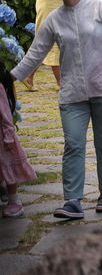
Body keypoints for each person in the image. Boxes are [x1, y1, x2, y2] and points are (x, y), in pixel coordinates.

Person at [10, 0, 102, 219]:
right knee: (73, 144)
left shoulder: (99, 5)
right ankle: (73, 202)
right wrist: (8, 78)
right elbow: (35, 54)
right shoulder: (54, 19)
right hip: (72, 93)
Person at [0, 64, 36, 217]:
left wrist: (8, 135)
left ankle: (14, 201)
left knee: (8, 166)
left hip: (2, 138)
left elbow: (6, 115)